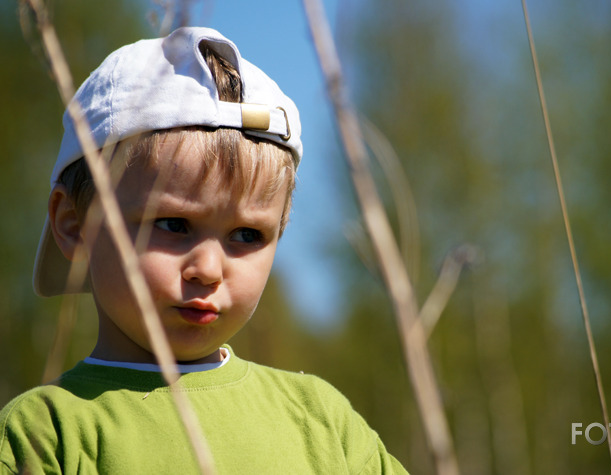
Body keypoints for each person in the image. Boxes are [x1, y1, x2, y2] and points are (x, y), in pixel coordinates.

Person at [0, 26, 407, 474]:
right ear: (74, 224)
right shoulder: (43, 434)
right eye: (174, 224)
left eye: (248, 235)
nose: (209, 269)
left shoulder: (324, 422)